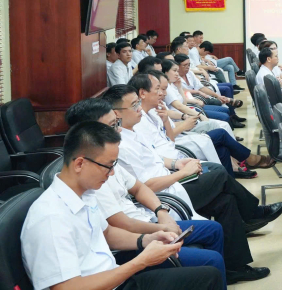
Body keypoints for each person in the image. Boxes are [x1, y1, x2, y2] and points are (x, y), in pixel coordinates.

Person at [103, 85, 282, 283]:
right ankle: (252, 212)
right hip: (166, 192)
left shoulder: (133, 131)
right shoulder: (118, 147)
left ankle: (235, 267)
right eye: (134, 105)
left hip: (170, 180)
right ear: (117, 113)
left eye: (138, 102)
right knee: (219, 174)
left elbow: (155, 158)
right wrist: (181, 174)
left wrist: (176, 164)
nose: (139, 108)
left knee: (226, 201)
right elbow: (146, 185)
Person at [21, 121, 224, 290]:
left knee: (209, 276)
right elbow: (67, 287)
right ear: (80, 164)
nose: (111, 173)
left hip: (114, 278)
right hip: (109, 281)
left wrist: (147, 239)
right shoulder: (50, 217)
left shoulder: (84, 193)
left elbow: (107, 234)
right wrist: (141, 261)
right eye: (108, 166)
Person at [63, 99, 227, 282]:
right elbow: (121, 225)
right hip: (120, 262)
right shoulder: (82, 188)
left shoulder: (93, 173)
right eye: (112, 125)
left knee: (216, 225)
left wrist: (159, 217)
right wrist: (144, 252)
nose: (119, 130)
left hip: (133, 242)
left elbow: (109, 229)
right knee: (211, 264)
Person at [130, 72, 272, 177]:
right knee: (221, 133)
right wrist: (183, 123)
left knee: (222, 149)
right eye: (158, 89)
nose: (162, 93)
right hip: (176, 149)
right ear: (142, 93)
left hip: (178, 137)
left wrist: (172, 118)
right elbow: (165, 142)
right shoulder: (138, 120)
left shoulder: (154, 110)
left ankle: (232, 175)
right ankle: (248, 159)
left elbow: (169, 131)